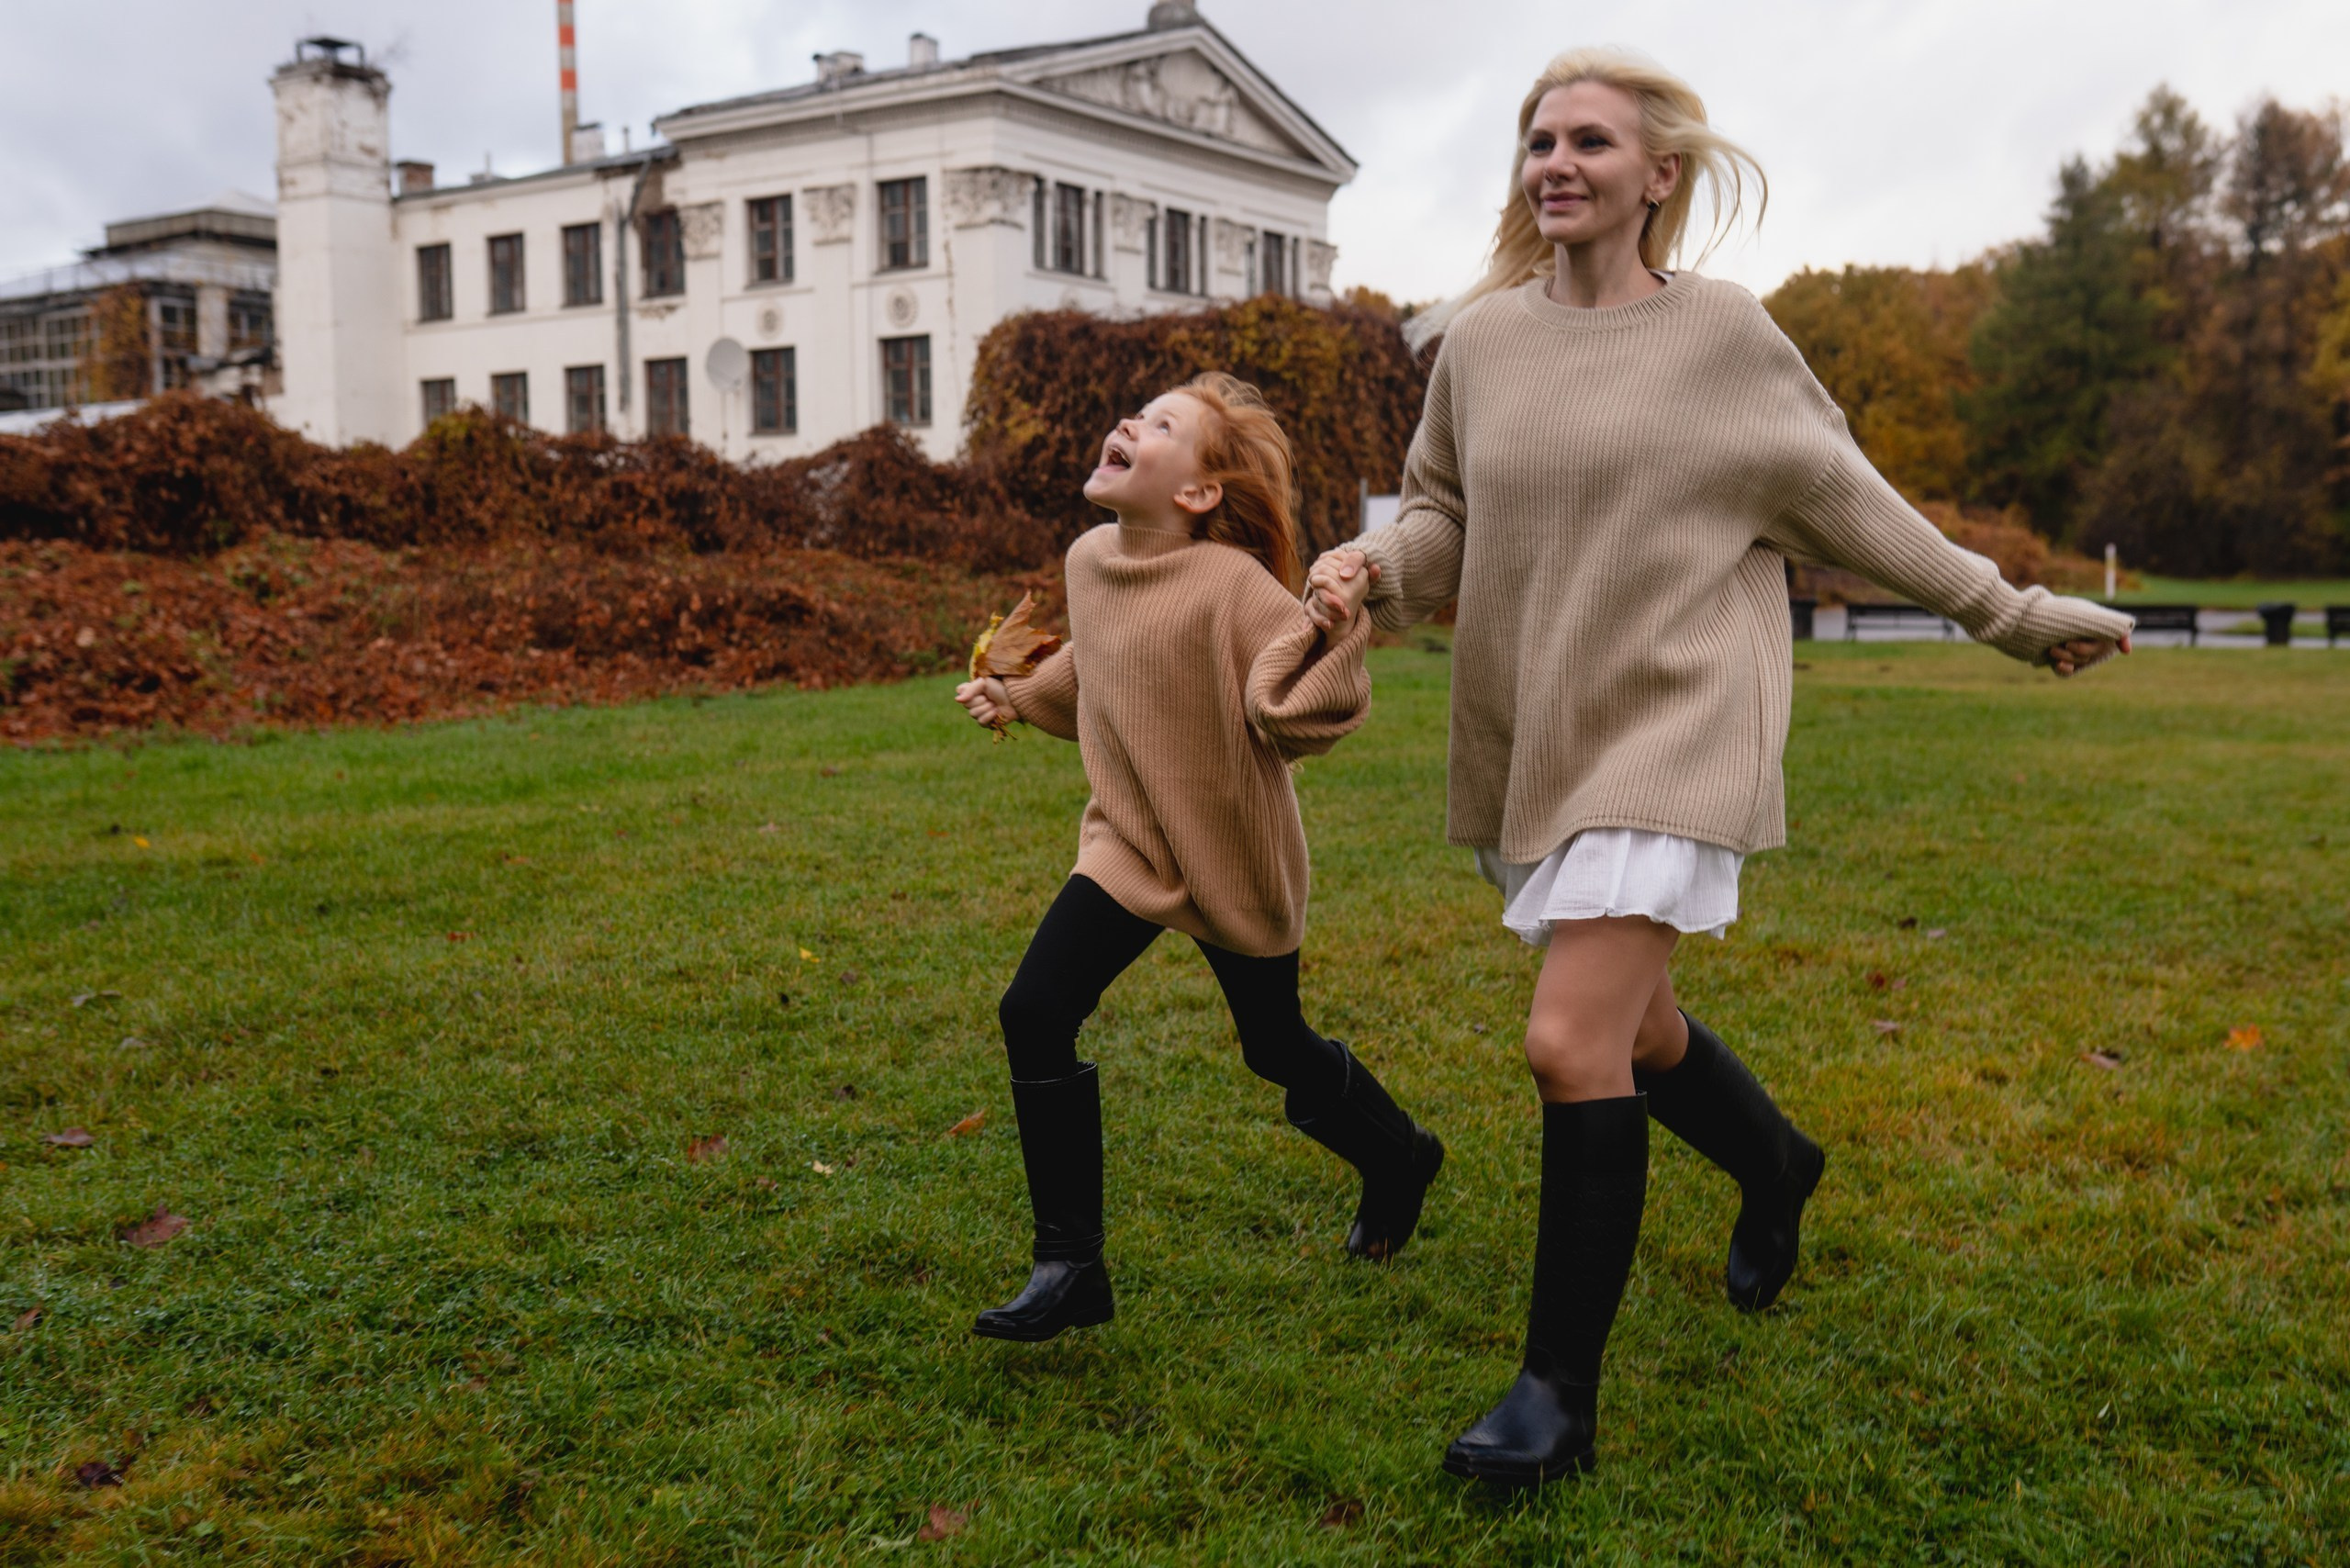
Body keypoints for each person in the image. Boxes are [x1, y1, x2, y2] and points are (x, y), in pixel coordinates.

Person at [1307, 49, 2135, 1485]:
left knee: (1568, 1041)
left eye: (1589, 142)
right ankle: (1775, 1164)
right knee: (1637, 1033)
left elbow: (1854, 504)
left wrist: (2008, 612)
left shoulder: (1730, 339)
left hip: (1687, 715)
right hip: (1547, 719)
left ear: (1660, 175)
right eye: (1537, 140)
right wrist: (1371, 568)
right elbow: (1446, 516)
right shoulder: (1484, 345)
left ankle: (1554, 1398)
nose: (1555, 162)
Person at [955, 373, 1445, 1343]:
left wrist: (1333, 628)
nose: (1130, 419)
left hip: (1229, 850)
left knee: (1275, 1047)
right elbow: (1097, 663)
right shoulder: (1090, 559)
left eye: (1163, 423)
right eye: (1135, 410)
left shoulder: (1233, 590)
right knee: (1034, 1010)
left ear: (1198, 494)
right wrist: (1019, 697)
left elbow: (1303, 700)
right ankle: (1070, 1264)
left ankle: (1399, 1157)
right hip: (1130, 841)